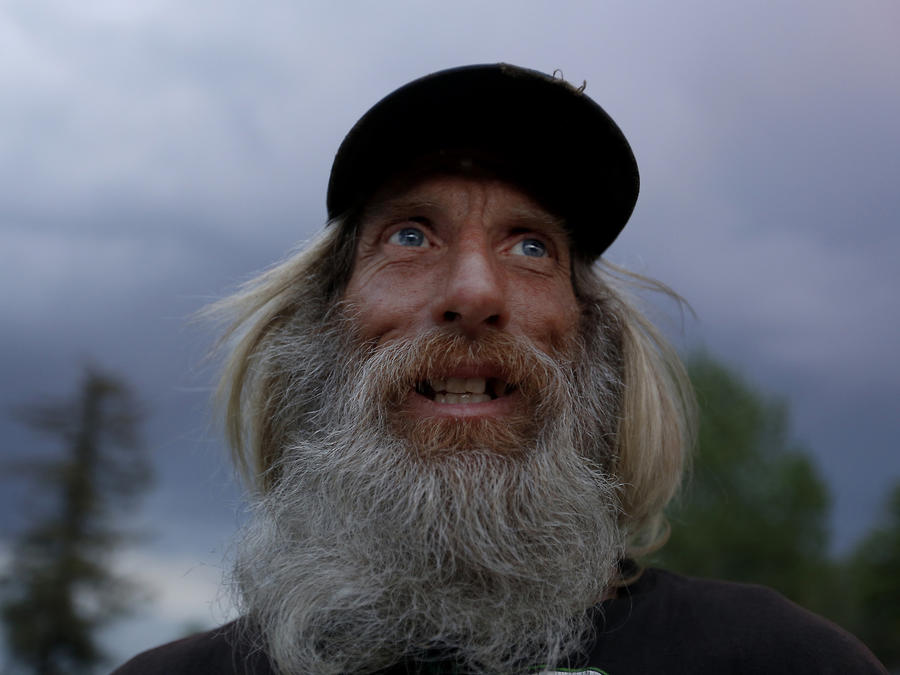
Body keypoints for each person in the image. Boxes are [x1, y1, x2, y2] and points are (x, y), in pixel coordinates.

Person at [113, 64, 887, 674]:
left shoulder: (777, 659)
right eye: (410, 236)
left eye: (530, 246)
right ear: (319, 330)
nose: (476, 292)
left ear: (596, 350)